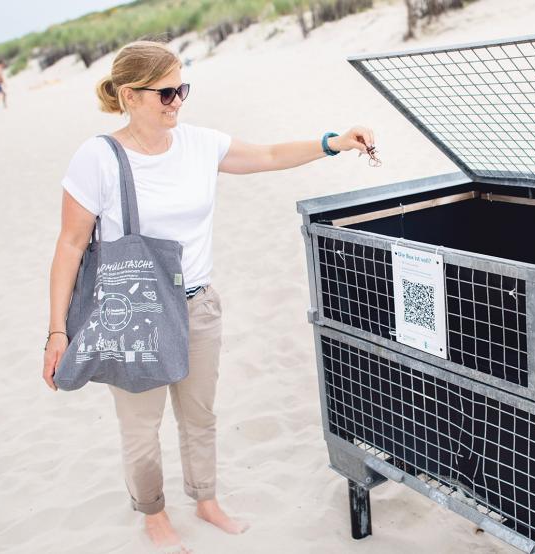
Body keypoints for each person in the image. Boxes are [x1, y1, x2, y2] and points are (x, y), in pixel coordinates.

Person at [41, 40, 376, 551]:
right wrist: (57, 330)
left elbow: (266, 155)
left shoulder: (198, 144)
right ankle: (153, 512)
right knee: (141, 424)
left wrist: (332, 142)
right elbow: (69, 245)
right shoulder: (98, 158)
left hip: (199, 304)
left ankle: (205, 498)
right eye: (166, 93)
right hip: (132, 310)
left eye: (183, 88)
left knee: (199, 413)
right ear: (130, 96)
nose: (178, 101)